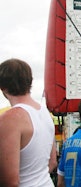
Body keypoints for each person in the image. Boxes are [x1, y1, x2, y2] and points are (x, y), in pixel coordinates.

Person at [0, 58, 57, 187]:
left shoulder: (10, 118)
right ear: (29, 81)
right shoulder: (45, 113)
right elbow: (52, 161)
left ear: (2, 87)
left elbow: (9, 181)